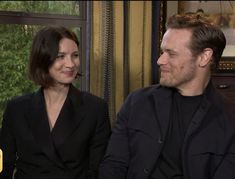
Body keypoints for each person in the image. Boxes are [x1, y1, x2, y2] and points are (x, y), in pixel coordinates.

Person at [99, 13, 235, 179]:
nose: (160, 60)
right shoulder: (137, 102)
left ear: (204, 57)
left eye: (171, 54)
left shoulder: (230, 119)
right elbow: (113, 165)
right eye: (162, 51)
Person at [0, 26, 111, 179]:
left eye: (75, 55)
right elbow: (4, 165)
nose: (71, 64)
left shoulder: (96, 108)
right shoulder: (16, 109)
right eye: (61, 56)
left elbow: (98, 169)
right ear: (43, 59)